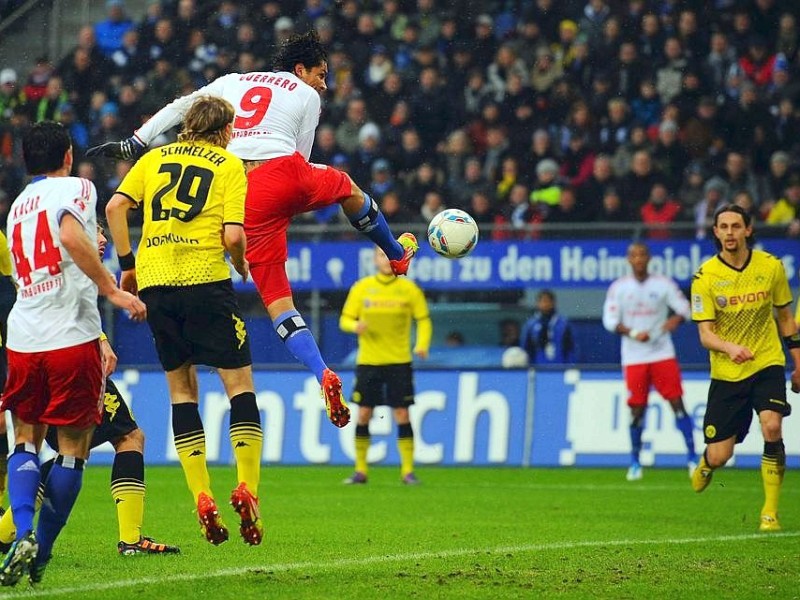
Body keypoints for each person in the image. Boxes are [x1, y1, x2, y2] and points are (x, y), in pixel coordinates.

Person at [89, 31, 421, 429]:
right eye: (321, 74)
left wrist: (134, 142)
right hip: (279, 174)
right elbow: (301, 158)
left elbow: (181, 107)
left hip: (231, 190)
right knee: (348, 187)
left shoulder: (231, 81)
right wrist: (289, 205)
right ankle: (397, 255)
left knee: (278, 302)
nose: (324, 83)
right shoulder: (305, 94)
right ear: (300, 70)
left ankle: (322, 372)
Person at [105, 96, 263, 547]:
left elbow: (116, 208)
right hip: (205, 280)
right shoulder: (230, 165)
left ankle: (201, 495)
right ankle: (247, 488)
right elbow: (233, 234)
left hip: (155, 281)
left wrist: (128, 263)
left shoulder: (154, 158)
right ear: (226, 130)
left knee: (181, 390)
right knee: (239, 386)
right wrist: (240, 262)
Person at [0, 121, 146, 586]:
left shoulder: (17, 207)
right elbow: (67, 234)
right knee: (71, 452)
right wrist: (112, 289)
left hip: (23, 337)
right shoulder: (78, 187)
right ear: (66, 155)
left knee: (24, 439)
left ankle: (20, 530)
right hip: (70, 339)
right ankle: (40, 549)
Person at [0, 225, 179, 556]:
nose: (103, 240)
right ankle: (130, 539)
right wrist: (99, 341)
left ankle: (6, 532)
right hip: (72, 365)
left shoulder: (45, 262)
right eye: (95, 232)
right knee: (126, 438)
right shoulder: (71, 263)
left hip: (36, 360)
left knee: (67, 454)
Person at [690, 204, 800, 532]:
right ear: (715, 232)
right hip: (727, 372)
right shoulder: (705, 277)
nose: (729, 233)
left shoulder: (771, 268)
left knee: (772, 427)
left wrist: (798, 365)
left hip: (766, 361)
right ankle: (708, 464)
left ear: (748, 230)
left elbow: (786, 320)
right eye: (723, 227)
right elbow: (706, 335)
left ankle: (769, 511)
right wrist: (730, 347)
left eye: (736, 226)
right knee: (721, 454)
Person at [602, 242, 697, 481]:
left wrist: (675, 321)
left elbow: (686, 308)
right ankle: (635, 461)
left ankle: (693, 458)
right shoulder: (619, 288)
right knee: (637, 409)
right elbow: (610, 320)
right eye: (634, 255)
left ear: (649, 258)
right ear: (628, 260)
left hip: (661, 353)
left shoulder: (663, 284)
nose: (639, 259)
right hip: (634, 356)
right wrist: (634, 333)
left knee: (677, 403)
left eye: (642, 254)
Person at [339, 248, 432, 485]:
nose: (385, 260)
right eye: (381, 255)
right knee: (364, 413)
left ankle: (407, 471)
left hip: (399, 361)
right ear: (375, 259)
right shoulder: (362, 288)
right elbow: (345, 319)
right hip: (369, 361)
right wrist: (355, 326)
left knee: (402, 413)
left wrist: (421, 345)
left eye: (389, 255)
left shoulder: (409, 289)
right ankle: (360, 471)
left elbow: (423, 320)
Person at [519, 290, 576, 364]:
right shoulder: (530, 325)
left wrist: (570, 366)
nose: (545, 304)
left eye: (548, 301)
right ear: (538, 304)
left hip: (560, 366)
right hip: (537, 367)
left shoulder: (564, 324)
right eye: (542, 301)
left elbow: (571, 348)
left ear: (553, 303)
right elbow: (525, 348)